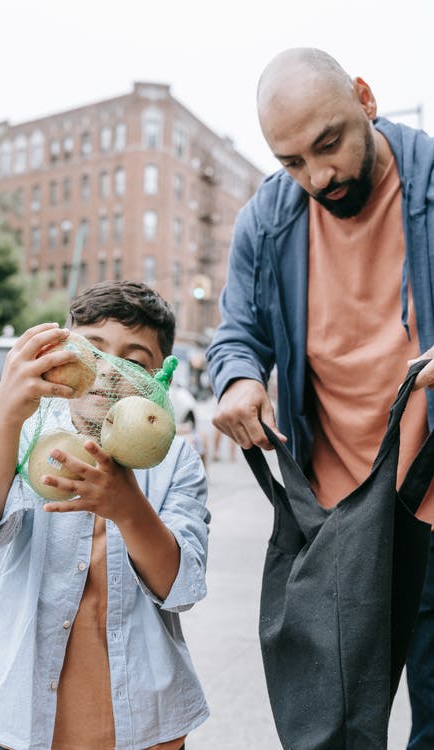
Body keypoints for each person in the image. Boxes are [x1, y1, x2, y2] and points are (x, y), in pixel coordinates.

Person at [206, 47, 434, 749]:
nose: (318, 176)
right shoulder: (267, 219)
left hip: (431, 500)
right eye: (292, 162)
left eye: (328, 144)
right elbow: (236, 332)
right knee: (330, 732)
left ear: (366, 98)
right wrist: (240, 377)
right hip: (338, 524)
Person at [0, 280, 210, 750]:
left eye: (134, 361)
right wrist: (6, 413)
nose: (109, 373)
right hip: (28, 711)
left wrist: (128, 508)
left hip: (145, 719)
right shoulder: (33, 433)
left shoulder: (174, 460)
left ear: (161, 377)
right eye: (93, 350)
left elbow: (182, 588)